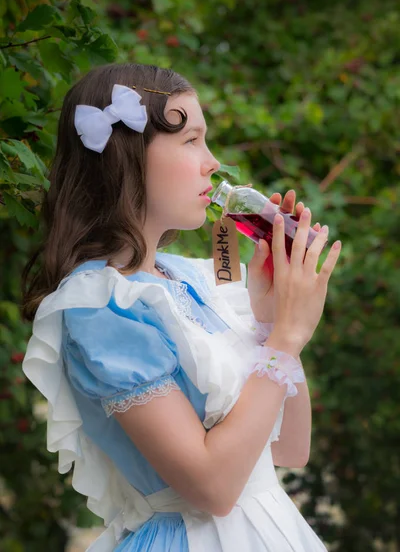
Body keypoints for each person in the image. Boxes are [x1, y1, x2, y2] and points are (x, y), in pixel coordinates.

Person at [21, 62, 341, 552]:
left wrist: (271, 322)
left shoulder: (192, 277)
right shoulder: (99, 305)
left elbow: (288, 449)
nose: (212, 162)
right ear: (127, 157)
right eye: (191, 141)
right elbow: (213, 488)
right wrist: (284, 340)